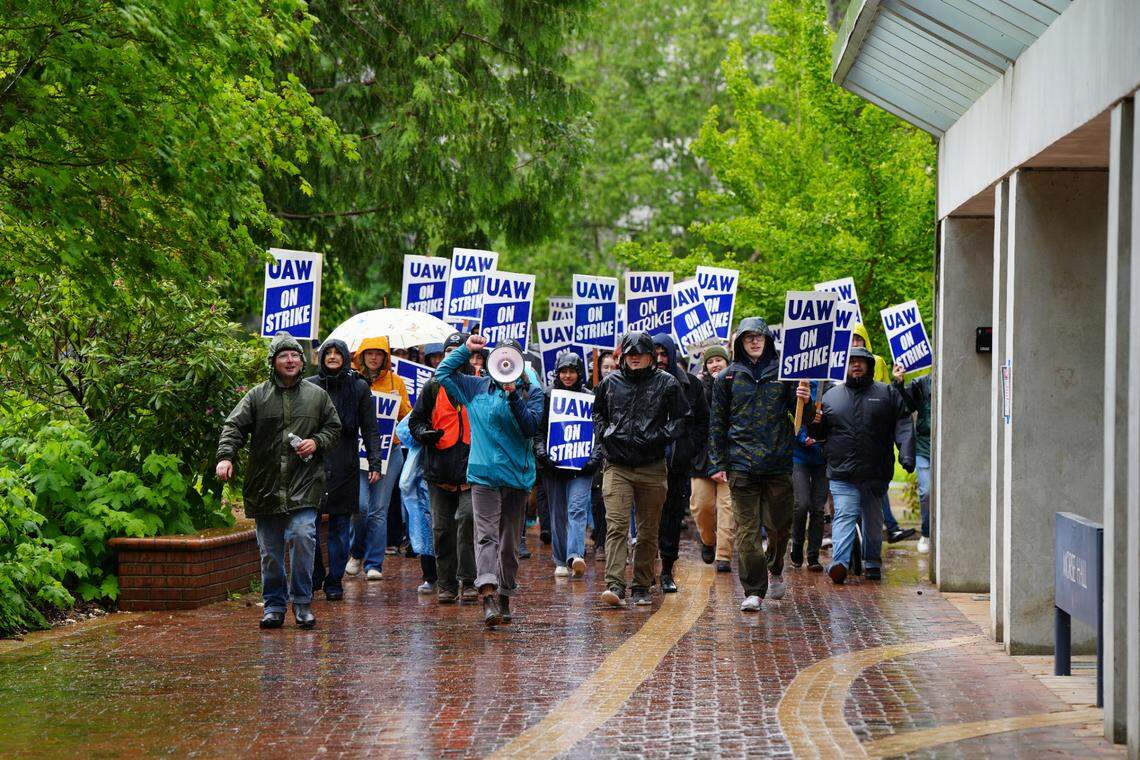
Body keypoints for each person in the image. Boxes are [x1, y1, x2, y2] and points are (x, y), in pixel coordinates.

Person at [216, 332, 342, 629]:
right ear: (273, 362)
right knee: (270, 552)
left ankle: (302, 603)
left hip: (305, 483)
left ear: (301, 361)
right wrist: (225, 456)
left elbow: (334, 427)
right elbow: (233, 426)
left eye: (295, 355)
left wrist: (317, 441)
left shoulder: (316, 396)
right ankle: (274, 605)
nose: (290, 360)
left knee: (302, 537)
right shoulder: (257, 395)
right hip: (266, 485)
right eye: (283, 356)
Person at [435, 334, 543, 628]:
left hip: (516, 477)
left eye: (513, 359)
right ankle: (487, 594)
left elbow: (530, 427)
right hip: (483, 474)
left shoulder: (531, 392)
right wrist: (465, 349)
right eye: (501, 357)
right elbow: (443, 373)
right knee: (486, 536)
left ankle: (505, 592)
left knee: (509, 542)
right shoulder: (475, 387)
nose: (507, 364)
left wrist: (512, 397)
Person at [709, 318, 808, 612]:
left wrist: (806, 399)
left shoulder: (785, 375)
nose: (754, 342)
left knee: (778, 527)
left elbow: (802, 418)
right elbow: (717, 423)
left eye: (759, 337)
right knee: (747, 532)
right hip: (741, 465)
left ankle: (776, 567)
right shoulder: (726, 378)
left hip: (778, 464)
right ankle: (753, 590)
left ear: (767, 340)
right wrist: (718, 462)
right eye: (749, 337)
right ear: (740, 342)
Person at [593, 330, 687, 608]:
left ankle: (642, 584)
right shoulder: (609, 383)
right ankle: (615, 584)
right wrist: (605, 433)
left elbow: (682, 417)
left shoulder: (667, 383)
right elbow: (597, 413)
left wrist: (660, 436)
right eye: (630, 354)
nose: (635, 358)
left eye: (640, 353)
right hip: (617, 464)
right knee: (617, 526)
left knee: (647, 531)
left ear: (651, 356)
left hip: (652, 465)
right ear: (623, 356)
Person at [807, 347, 914, 584]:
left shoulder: (886, 393)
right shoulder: (830, 396)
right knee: (844, 515)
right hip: (842, 472)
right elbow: (818, 433)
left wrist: (906, 454)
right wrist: (814, 421)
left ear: (869, 365)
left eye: (860, 361)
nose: (856, 365)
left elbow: (903, 423)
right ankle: (840, 563)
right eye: (851, 361)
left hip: (875, 472)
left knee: (873, 519)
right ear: (843, 366)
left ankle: (872, 562)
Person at [306, 339, 384, 601]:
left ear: (345, 357)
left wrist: (375, 462)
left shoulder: (359, 387)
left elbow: (370, 428)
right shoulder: (311, 385)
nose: (331, 356)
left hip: (345, 464)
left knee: (340, 526)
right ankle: (316, 572)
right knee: (310, 524)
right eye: (326, 352)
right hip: (314, 464)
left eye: (336, 352)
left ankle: (334, 580)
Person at [408, 333, 479, 603]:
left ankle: (469, 581)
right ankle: (447, 585)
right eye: (448, 351)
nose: (452, 356)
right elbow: (415, 421)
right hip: (439, 474)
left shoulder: (478, 385)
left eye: (458, 351)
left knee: (467, 520)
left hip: (472, 473)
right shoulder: (432, 388)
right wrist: (425, 432)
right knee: (442, 530)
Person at [344, 336, 413, 581]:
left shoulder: (397, 382)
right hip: (359, 453)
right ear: (361, 355)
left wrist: (399, 402)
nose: (374, 357)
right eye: (369, 353)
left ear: (385, 357)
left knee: (379, 510)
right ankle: (356, 552)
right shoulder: (351, 381)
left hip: (389, 452)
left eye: (379, 353)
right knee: (360, 507)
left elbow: (409, 419)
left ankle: (374, 563)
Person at [534, 351, 602, 579]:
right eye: (563, 371)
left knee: (577, 509)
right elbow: (539, 430)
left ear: (579, 373)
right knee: (558, 513)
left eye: (572, 371)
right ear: (557, 372)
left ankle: (575, 555)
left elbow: (597, 432)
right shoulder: (548, 395)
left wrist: (593, 459)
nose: (567, 375)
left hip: (582, 467)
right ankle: (560, 560)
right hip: (554, 466)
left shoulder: (589, 397)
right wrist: (543, 454)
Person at [851, 322, 915, 544]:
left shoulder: (877, 362)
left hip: (875, 429)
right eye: (851, 339)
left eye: (858, 339)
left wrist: (898, 383)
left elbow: (888, 394)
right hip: (852, 430)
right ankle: (883, 532)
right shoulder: (841, 362)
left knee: (875, 487)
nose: (854, 343)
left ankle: (873, 546)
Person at [651, 334, 699, 594]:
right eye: (655, 353)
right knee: (648, 519)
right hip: (647, 462)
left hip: (677, 463)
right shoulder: (642, 383)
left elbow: (702, 421)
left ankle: (667, 570)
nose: (659, 360)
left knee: (671, 519)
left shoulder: (691, 385)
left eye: (664, 354)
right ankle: (646, 568)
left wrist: (689, 450)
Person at [689, 345, 735, 573]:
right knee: (701, 506)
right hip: (702, 458)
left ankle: (724, 556)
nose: (715, 364)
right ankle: (708, 541)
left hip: (729, 458)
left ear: (727, 363)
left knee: (727, 508)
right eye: (710, 361)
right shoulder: (697, 388)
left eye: (719, 360)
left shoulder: (736, 385)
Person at [894, 362, 932, 554]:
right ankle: (926, 533)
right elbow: (906, 405)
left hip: (949, 449)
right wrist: (900, 383)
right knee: (927, 492)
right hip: (925, 448)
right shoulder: (922, 383)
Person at [790, 381, 827, 572]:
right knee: (801, 503)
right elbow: (790, 416)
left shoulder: (830, 385)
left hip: (822, 456)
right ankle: (796, 545)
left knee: (818, 508)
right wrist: (801, 436)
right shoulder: (796, 384)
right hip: (799, 456)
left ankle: (813, 555)